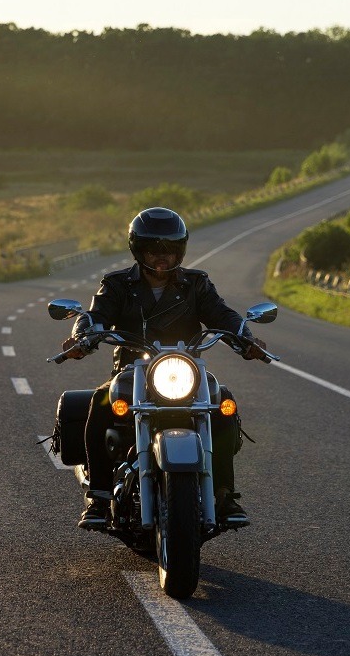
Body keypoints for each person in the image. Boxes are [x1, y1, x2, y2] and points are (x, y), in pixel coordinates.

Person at [61, 207, 268, 529]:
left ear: (180, 249)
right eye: (154, 250)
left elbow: (222, 315)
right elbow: (96, 315)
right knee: (99, 406)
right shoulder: (116, 284)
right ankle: (99, 496)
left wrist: (247, 338)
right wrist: (82, 337)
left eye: (170, 250)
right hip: (132, 369)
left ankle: (224, 494)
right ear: (138, 249)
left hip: (186, 371)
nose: (162, 257)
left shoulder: (196, 284)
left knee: (223, 404)